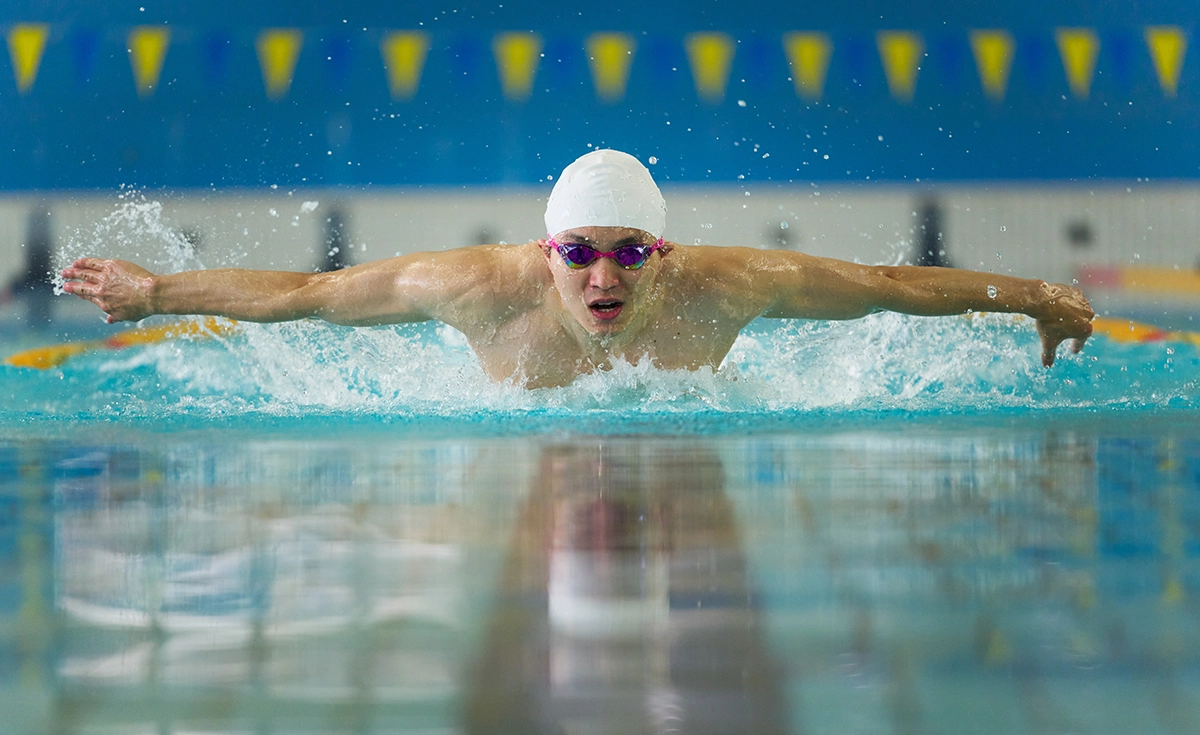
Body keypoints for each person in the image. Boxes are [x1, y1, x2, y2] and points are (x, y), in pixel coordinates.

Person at [61, 149, 1094, 389]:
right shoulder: (475, 286)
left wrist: (1038, 294)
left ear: (664, 255)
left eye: (630, 252)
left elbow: (886, 286)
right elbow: (305, 297)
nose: (605, 273)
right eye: (580, 253)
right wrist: (154, 294)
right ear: (545, 255)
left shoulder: (725, 285)